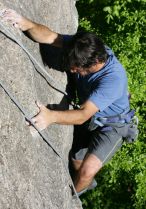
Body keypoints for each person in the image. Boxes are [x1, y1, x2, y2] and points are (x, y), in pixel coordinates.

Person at [1, 9, 136, 196]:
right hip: (92, 115)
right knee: (76, 160)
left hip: (112, 125)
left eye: (76, 67)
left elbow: (82, 115)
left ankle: (73, 199)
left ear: (94, 64)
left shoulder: (113, 80)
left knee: (87, 170)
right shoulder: (86, 48)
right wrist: (26, 23)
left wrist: (51, 117)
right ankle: (86, 184)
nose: (72, 69)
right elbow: (50, 37)